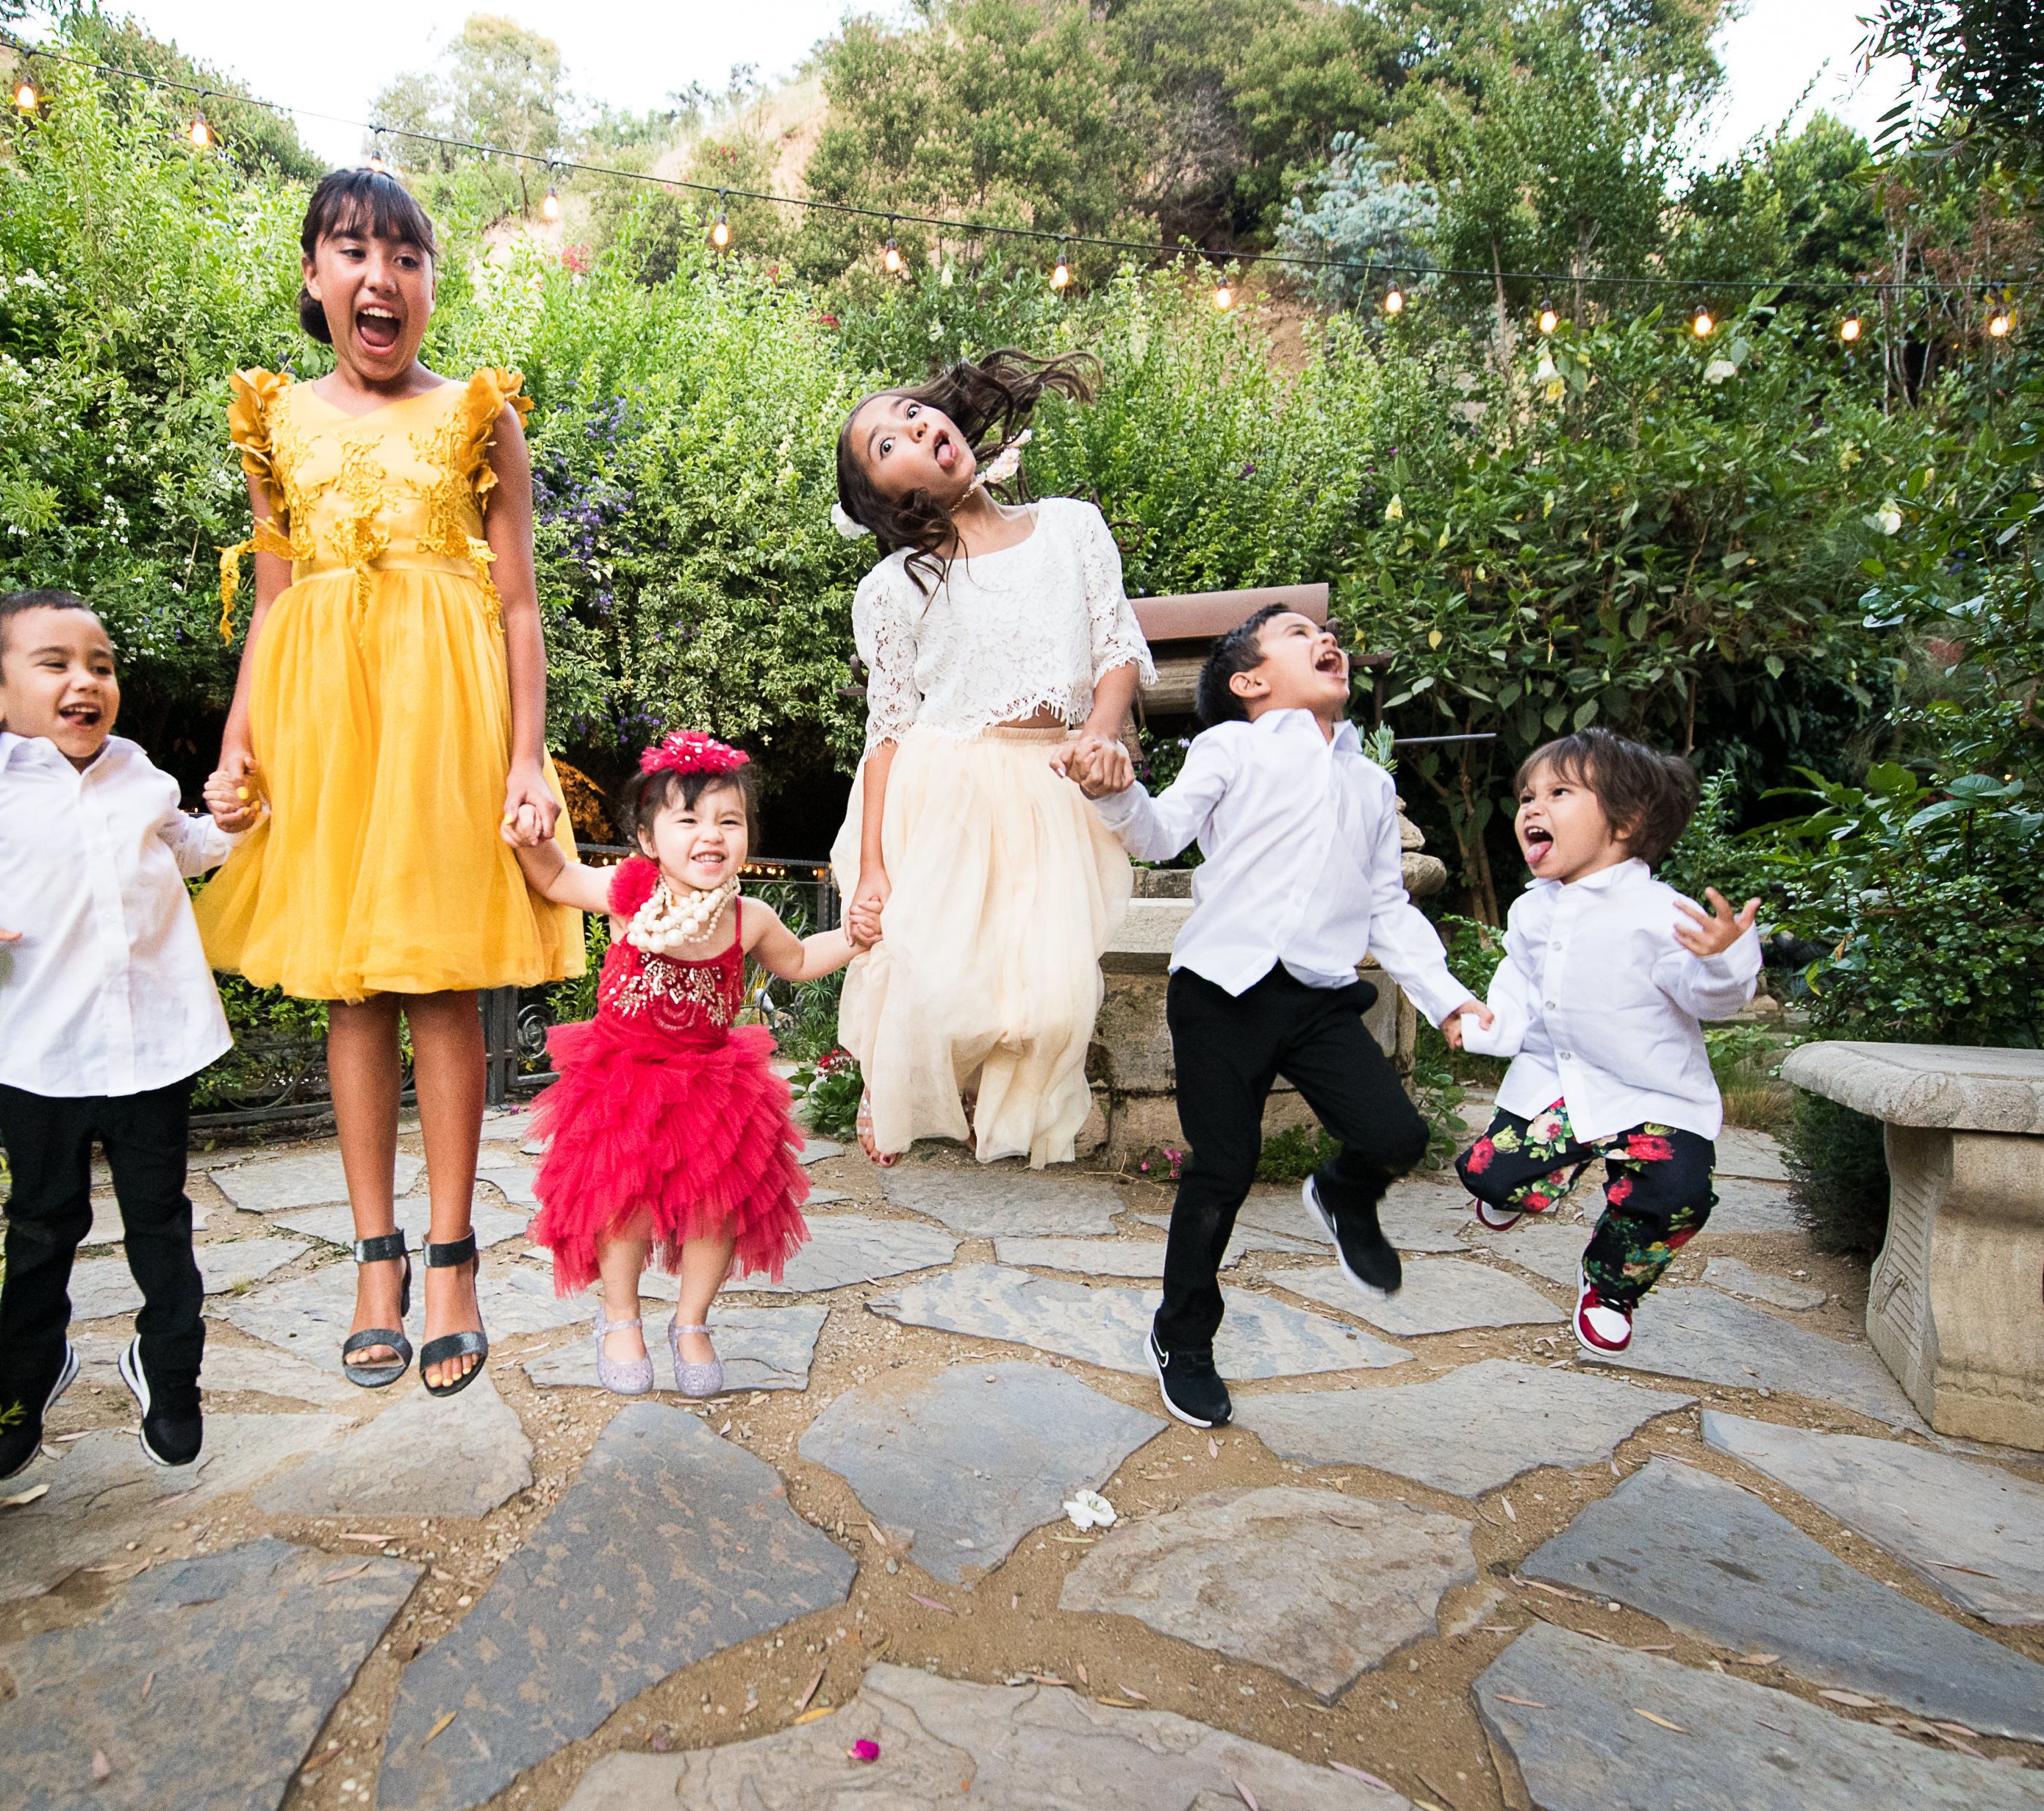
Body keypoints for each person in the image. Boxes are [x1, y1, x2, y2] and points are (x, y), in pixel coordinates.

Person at [199, 169, 583, 1397]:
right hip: (325, 730)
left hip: (444, 724)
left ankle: (454, 1253)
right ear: (313, 276)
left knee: (441, 987)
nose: (382, 277)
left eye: (407, 255)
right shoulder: (275, 420)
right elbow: (271, 601)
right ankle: (378, 1258)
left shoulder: (480, 415)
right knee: (350, 993)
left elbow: (519, 603)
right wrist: (236, 742)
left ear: (429, 282)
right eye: (354, 251)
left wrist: (527, 758)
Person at [1072, 605, 1488, 1428]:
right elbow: (1160, 836)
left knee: (1397, 1136)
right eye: (1297, 635)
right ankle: (1182, 1338)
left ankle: (1342, 1194)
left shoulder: (1371, 783)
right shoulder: (1231, 748)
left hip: (1318, 995)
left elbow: (1386, 908)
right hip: (1222, 988)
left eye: (1323, 634)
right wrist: (1115, 796)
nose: (1323, 639)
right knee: (1221, 1170)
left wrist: (1449, 997)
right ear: (1249, 682)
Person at [0, 589, 243, 1479]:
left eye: (102, 665)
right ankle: (24, 1382)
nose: (86, 681)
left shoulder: (140, 774)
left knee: (161, 1220)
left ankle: (169, 1374)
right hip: (43, 1055)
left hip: (160, 1042)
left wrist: (229, 826)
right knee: (43, 1226)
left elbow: (183, 847)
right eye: (56, 663)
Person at [828, 350, 1155, 1170]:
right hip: (949, 788)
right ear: (889, 500)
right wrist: (872, 866)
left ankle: (991, 1099)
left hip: (1052, 788)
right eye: (887, 443)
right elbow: (888, 732)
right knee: (930, 971)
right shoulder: (898, 588)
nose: (917, 426)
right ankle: (891, 1076)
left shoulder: (1072, 526)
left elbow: (1117, 648)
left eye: (912, 412)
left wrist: (1102, 732)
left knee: (1050, 1004)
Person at [503, 732, 858, 1396]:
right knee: (623, 1204)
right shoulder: (627, 893)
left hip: (711, 1083)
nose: (711, 835)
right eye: (688, 819)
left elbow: (803, 961)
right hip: (624, 1077)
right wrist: (530, 833)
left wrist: (856, 936)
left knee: (714, 1211)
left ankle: (691, 1323)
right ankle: (620, 1319)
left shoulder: (748, 917)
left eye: (730, 820)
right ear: (646, 838)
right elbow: (553, 876)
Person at [1454, 728, 1762, 1356]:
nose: (1532, 808)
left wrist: (1724, 961)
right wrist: (1488, 1024)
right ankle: (1531, 1184)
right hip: (1563, 1084)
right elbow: (1516, 983)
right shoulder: (1530, 912)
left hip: (1653, 1096)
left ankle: (1611, 1285)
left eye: (1559, 793)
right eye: (1526, 797)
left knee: (1676, 1197)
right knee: (1490, 1177)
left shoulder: (1659, 912)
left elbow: (1707, 995)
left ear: (1628, 820)